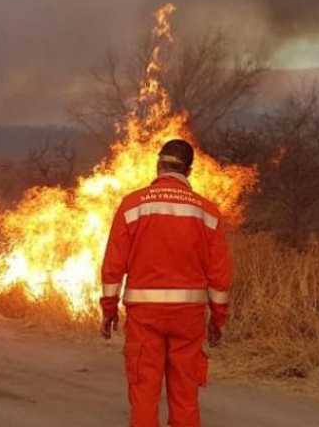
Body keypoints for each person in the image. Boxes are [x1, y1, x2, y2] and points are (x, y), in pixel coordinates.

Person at [99, 139, 233, 427]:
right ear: (190, 170)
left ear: (158, 165)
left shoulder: (132, 205)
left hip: (144, 317)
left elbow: (113, 267)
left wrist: (108, 311)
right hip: (188, 319)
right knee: (185, 395)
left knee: (144, 392)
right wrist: (218, 321)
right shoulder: (207, 212)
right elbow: (219, 276)